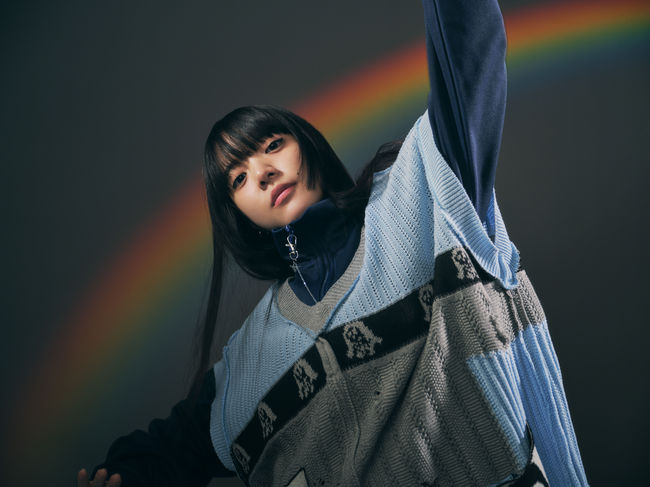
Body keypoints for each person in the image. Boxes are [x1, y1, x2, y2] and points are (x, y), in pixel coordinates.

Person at [78, 0, 589, 485]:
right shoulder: (244, 368)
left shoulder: (422, 188)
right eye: (238, 178)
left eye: (272, 144)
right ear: (239, 215)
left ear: (307, 145)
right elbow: (167, 451)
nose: (263, 172)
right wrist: (123, 476)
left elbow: (469, 54)